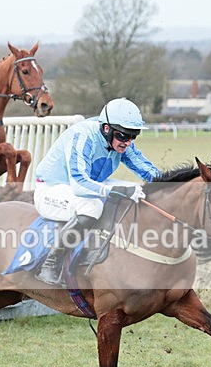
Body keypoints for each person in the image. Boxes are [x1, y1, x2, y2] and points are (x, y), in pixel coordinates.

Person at [33, 98, 162, 284]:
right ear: (107, 128)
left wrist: (174, 185)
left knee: (138, 190)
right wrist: (119, 190)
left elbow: (148, 171)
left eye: (133, 136)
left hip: (86, 184)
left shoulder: (119, 141)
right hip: (52, 188)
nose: (128, 142)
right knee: (92, 206)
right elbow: (79, 183)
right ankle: (51, 264)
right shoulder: (83, 135)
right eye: (124, 136)